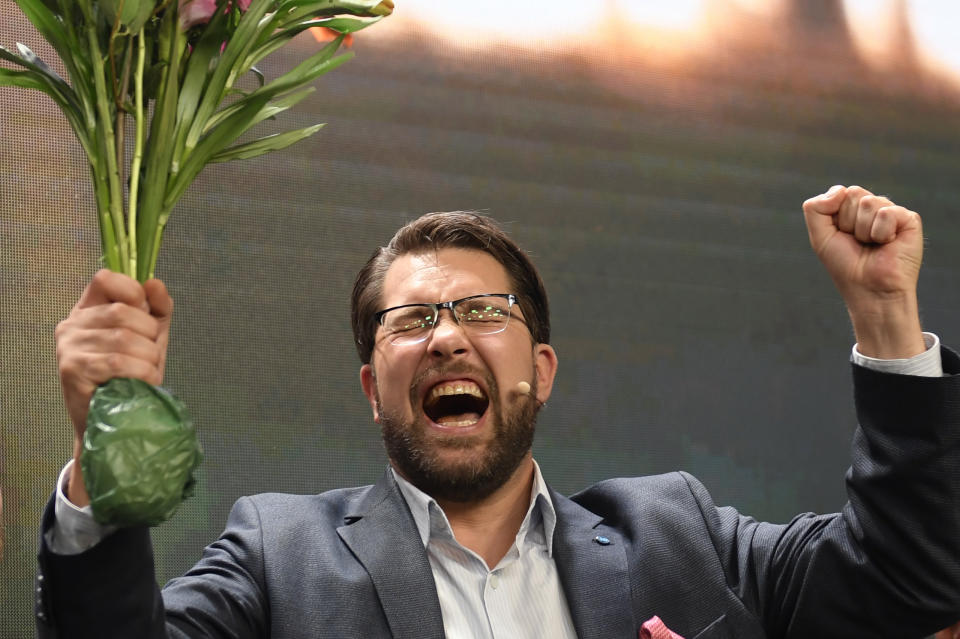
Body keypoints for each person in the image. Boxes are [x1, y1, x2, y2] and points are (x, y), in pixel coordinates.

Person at [36, 185, 960, 638]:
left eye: (484, 312)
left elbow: (907, 580)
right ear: (371, 387)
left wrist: (886, 319)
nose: (446, 338)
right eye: (410, 320)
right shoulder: (281, 558)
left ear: (542, 369)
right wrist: (102, 456)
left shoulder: (679, 533)